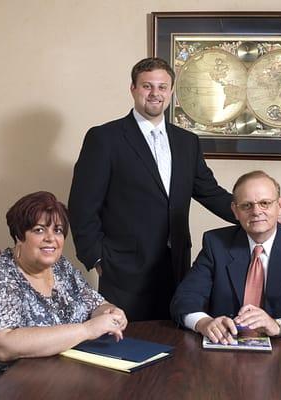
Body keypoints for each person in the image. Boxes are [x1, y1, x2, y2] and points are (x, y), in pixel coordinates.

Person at [68, 57, 236, 321]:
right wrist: (98, 260)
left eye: (162, 87)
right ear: (133, 89)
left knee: (175, 345)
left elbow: (210, 192)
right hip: (123, 269)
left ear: (171, 92)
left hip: (176, 265)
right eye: (147, 86)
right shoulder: (104, 138)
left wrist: (254, 214)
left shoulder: (187, 142)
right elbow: (82, 207)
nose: (155, 93)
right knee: (127, 349)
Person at [0, 191, 127, 394]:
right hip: (5, 386)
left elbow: (95, 304)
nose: (51, 238)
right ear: (19, 236)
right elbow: (0, 346)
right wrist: (87, 330)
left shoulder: (61, 268)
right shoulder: (0, 278)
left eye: (58, 231)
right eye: (39, 230)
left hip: (60, 375)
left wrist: (111, 312)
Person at [170, 171, 281, 343]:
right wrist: (204, 323)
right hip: (224, 349)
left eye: (265, 203)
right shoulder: (216, 244)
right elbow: (184, 299)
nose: (256, 211)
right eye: (247, 205)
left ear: (280, 205)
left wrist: (278, 326)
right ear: (235, 211)